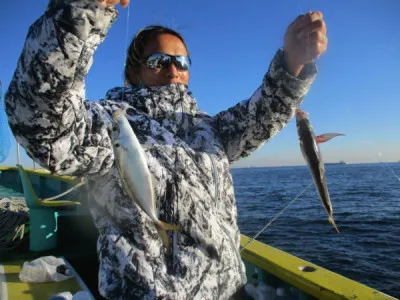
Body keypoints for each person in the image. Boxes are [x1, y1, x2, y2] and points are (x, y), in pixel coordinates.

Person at [5, 0, 327, 298]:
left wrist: (292, 64)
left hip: (230, 291)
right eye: (159, 61)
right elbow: (38, 117)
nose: (173, 70)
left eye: (182, 61)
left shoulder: (210, 129)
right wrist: (78, 14)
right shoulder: (110, 123)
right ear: (135, 71)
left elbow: (263, 114)